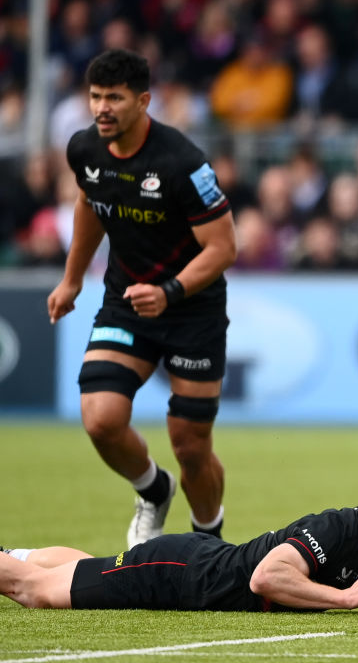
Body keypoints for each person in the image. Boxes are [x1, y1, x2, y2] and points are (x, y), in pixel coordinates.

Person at [46, 49, 237, 549]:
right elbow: (90, 206)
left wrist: (170, 291)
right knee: (101, 419)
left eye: (114, 97)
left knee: (190, 445)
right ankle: (153, 490)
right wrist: (72, 280)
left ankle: (207, 542)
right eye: (94, 96)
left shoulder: (182, 163)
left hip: (192, 310)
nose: (101, 107)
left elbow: (224, 247)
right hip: (127, 300)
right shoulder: (85, 150)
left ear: (143, 101)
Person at [0, 467, 358, 615]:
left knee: (94, 567)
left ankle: (16, 555)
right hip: (180, 576)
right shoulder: (337, 527)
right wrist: (343, 598)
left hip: (202, 561)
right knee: (35, 592)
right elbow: (266, 578)